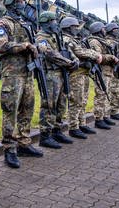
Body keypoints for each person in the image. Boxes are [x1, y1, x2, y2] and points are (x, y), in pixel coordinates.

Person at [0, 0, 43, 169]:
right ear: (12, 3)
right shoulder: (3, 23)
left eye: (24, 1)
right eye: (20, 1)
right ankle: (9, 148)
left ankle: (24, 142)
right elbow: (3, 46)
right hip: (12, 75)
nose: (23, 4)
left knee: (27, 109)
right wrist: (26, 45)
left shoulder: (25, 24)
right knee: (11, 111)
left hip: (27, 73)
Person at [36, 11, 78, 149]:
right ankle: (45, 135)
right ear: (46, 23)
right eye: (53, 21)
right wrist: (68, 62)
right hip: (50, 75)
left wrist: (74, 59)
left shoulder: (56, 36)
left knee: (61, 103)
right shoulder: (41, 38)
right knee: (49, 105)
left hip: (61, 73)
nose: (55, 23)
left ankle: (57, 130)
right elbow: (50, 54)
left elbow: (66, 50)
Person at [60, 17, 102, 138]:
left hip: (83, 73)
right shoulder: (67, 39)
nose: (77, 29)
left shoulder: (75, 39)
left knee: (82, 101)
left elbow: (82, 51)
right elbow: (80, 52)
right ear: (68, 27)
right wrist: (95, 55)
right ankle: (73, 127)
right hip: (75, 75)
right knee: (76, 101)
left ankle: (81, 123)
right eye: (75, 27)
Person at [87, 22, 119, 130]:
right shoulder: (94, 41)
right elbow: (98, 57)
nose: (105, 31)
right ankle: (98, 120)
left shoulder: (102, 41)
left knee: (106, 94)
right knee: (100, 96)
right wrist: (111, 57)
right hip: (101, 72)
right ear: (98, 30)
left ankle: (104, 116)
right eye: (103, 29)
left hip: (107, 72)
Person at [105, 22, 119, 120]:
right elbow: (114, 54)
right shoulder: (109, 41)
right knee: (115, 90)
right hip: (114, 69)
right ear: (110, 30)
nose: (117, 31)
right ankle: (114, 111)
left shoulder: (116, 41)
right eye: (115, 29)